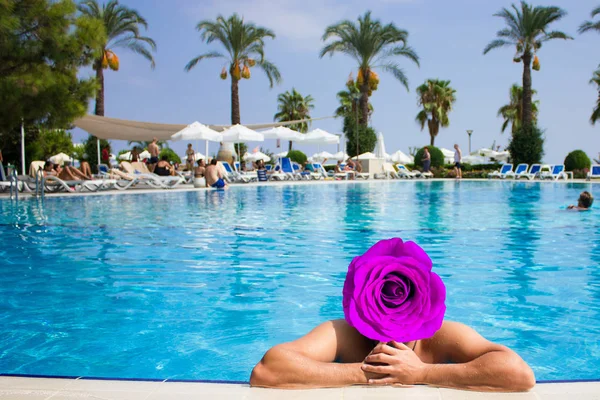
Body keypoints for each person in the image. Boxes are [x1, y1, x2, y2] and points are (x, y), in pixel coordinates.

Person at [250, 318, 535, 392]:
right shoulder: (344, 333)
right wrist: (365, 372)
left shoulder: (443, 336)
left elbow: (519, 373)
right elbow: (268, 370)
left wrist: (423, 373)